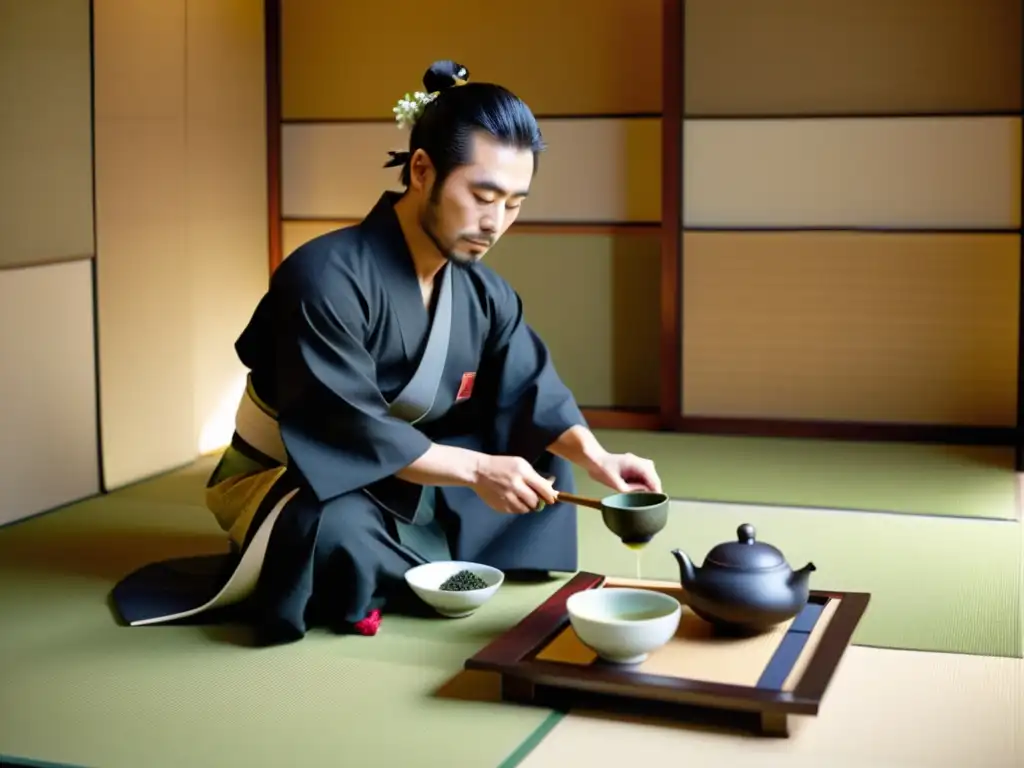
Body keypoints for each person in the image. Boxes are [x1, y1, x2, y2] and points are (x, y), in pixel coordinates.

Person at [111, 60, 662, 645]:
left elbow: (531, 389)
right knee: (333, 532)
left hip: (407, 464)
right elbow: (342, 425)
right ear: (421, 170)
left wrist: (599, 459)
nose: (495, 222)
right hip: (299, 468)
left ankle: (407, 564)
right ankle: (406, 560)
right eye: (482, 195)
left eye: (514, 203)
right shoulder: (323, 276)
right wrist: (475, 470)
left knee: (542, 469)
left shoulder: (483, 291)